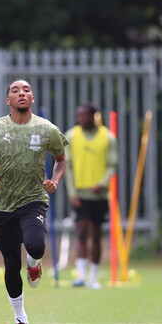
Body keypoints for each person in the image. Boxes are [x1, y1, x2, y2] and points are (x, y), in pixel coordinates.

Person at [0, 79, 68, 324]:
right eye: (15, 91)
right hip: (1, 204)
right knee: (11, 266)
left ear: (32, 98)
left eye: (26, 90)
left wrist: (55, 180)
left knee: (36, 244)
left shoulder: (47, 129)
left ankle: (34, 262)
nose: (21, 93)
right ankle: (21, 320)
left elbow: (61, 160)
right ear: (8, 101)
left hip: (33, 199)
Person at [64, 102, 117, 290]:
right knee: (81, 230)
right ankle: (80, 275)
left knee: (95, 234)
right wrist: (72, 192)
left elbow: (112, 165)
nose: (81, 119)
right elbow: (67, 167)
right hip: (80, 193)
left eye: (85, 115)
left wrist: (102, 183)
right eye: (79, 115)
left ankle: (93, 277)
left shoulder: (108, 137)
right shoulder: (71, 135)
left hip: (100, 195)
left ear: (94, 116)